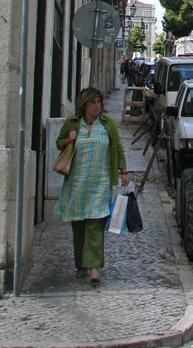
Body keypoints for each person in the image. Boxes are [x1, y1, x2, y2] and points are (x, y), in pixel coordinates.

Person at [54, 87, 129, 283]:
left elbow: (118, 148)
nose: (97, 106)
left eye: (99, 102)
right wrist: (67, 140)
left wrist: (123, 172)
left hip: (100, 180)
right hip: (77, 182)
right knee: (78, 224)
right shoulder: (73, 124)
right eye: (93, 102)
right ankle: (81, 264)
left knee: (96, 222)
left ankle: (94, 266)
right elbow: (58, 142)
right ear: (84, 105)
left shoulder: (107, 124)